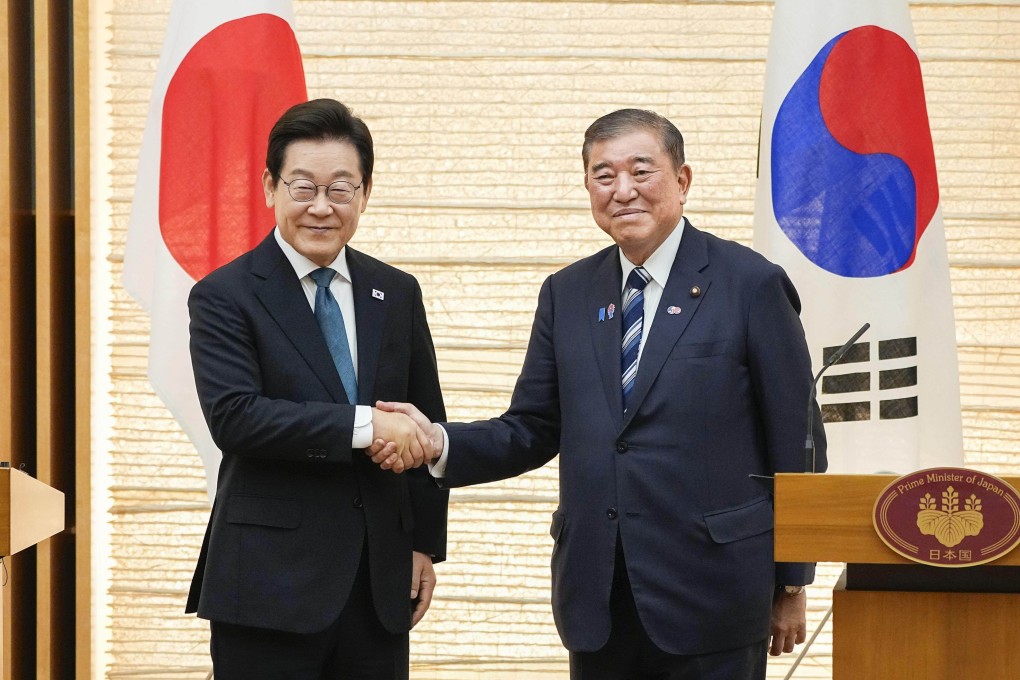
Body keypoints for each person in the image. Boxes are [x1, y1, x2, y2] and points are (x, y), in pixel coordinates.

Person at [369, 108, 826, 679]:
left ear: (682, 181)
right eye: (603, 175)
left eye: (642, 170)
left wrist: (793, 580)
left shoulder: (750, 283)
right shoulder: (567, 293)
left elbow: (797, 439)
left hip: (715, 591)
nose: (623, 190)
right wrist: (438, 443)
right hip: (599, 594)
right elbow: (533, 426)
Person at [185, 98, 448, 680]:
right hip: (267, 584)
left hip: (379, 581)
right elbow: (237, 417)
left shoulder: (396, 291)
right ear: (269, 188)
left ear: (365, 191)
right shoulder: (224, 295)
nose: (322, 207)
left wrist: (425, 542)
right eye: (303, 188)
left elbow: (426, 419)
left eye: (341, 188)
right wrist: (365, 427)